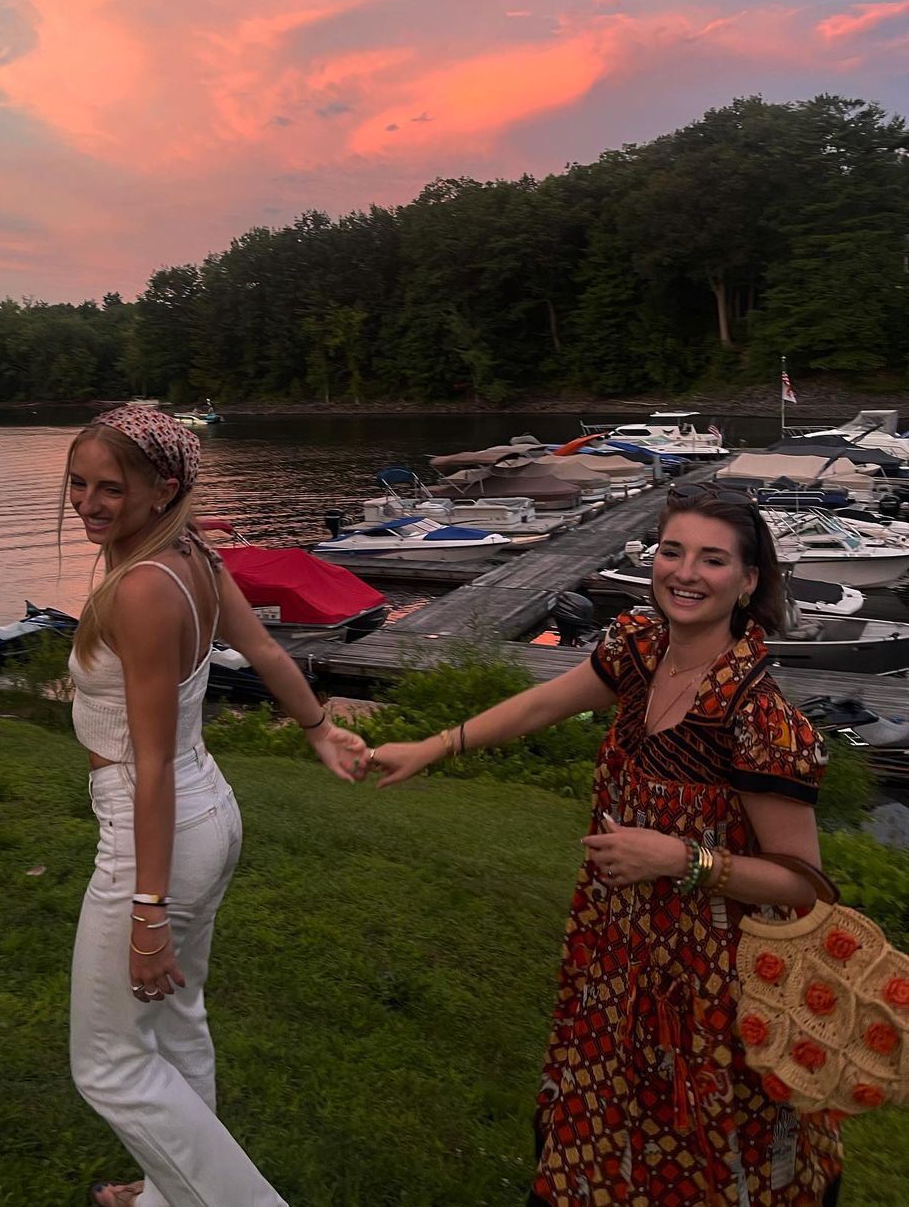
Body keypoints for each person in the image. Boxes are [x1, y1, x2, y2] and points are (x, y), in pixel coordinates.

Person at [370, 488, 843, 1206]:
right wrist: (432, 746)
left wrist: (683, 859)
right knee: (601, 1107)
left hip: (711, 978)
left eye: (712, 559)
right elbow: (542, 703)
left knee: (699, 1139)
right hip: (616, 941)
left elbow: (803, 883)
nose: (685, 572)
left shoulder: (760, 719)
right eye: (673, 551)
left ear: (748, 581)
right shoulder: (638, 649)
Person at [61, 405, 366, 1207]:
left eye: (109, 487)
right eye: (78, 483)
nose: (88, 502)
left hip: (155, 828)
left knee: (110, 1062)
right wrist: (319, 728)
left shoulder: (144, 588)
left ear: (162, 489)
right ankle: (166, 1196)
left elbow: (151, 763)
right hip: (208, 813)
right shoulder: (189, 550)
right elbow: (262, 648)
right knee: (175, 1019)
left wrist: (148, 908)